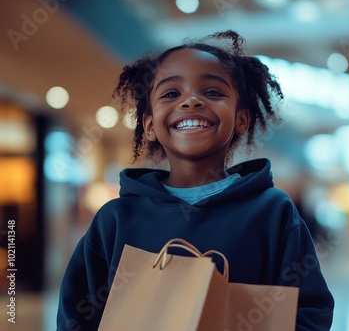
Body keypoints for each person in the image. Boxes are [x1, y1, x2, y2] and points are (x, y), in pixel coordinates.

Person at [56, 30, 334, 330]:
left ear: (242, 119)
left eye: (213, 92)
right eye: (171, 93)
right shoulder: (116, 219)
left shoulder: (272, 212)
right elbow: (78, 314)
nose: (191, 101)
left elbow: (309, 311)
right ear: (149, 125)